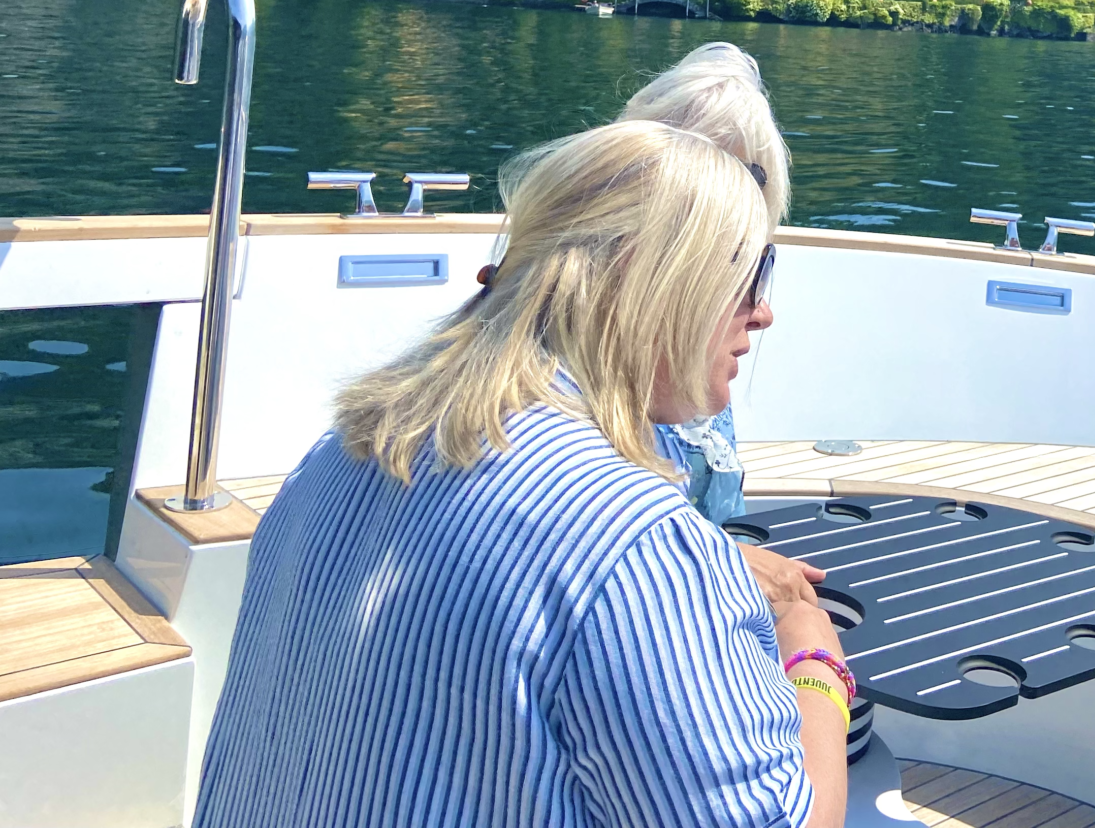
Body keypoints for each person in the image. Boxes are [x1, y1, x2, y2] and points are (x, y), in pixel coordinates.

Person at [195, 121, 849, 828]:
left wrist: (695, 582)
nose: (764, 311)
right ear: (662, 283)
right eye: (750, 273)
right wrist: (813, 654)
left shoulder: (344, 450)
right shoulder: (636, 542)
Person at [617, 41, 791, 526]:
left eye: (754, 264)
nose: (762, 313)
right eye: (727, 264)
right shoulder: (580, 445)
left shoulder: (693, 374)